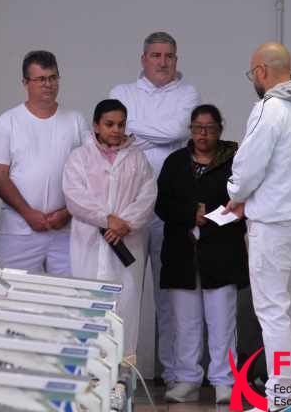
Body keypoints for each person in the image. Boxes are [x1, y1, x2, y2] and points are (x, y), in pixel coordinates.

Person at [225, 43, 291, 411]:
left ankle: (280, 400)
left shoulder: (270, 108)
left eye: (252, 73)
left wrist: (236, 192)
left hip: (273, 223)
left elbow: (249, 164)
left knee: (273, 312)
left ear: (262, 71)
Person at [109, 31, 199, 390]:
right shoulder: (122, 92)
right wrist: (160, 136)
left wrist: (134, 132)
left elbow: (178, 130)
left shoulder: (188, 94)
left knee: (169, 294)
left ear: (176, 59)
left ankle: (173, 373)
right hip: (128, 209)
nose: (163, 62)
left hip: (170, 208)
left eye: (169, 56)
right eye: (156, 55)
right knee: (126, 291)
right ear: (143, 59)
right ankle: (118, 372)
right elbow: (118, 135)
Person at [156, 104, 248, 404]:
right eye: (197, 128)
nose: (203, 134)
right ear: (190, 130)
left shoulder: (235, 161)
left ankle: (224, 381)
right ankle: (188, 379)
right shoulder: (175, 162)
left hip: (221, 252)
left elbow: (246, 200)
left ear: (220, 129)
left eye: (209, 128)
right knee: (185, 323)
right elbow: (161, 204)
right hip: (182, 254)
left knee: (222, 323)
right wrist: (189, 214)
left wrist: (214, 216)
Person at [62, 99, 157, 363]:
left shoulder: (137, 158)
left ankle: (122, 371)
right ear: (96, 126)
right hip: (90, 243)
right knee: (89, 304)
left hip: (127, 242)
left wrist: (125, 223)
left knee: (126, 305)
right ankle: (90, 370)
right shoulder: (80, 157)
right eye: (109, 124)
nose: (116, 130)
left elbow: (147, 196)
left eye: (121, 124)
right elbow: (75, 197)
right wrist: (107, 220)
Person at [0, 51, 88, 275]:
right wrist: (28, 213)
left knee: (72, 292)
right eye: (41, 79)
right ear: (25, 83)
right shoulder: (8, 121)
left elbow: (90, 174)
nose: (48, 84)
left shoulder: (76, 120)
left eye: (53, 78)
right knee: (12, 291)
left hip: (66, 229)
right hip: (19, 229)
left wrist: (67, 212)